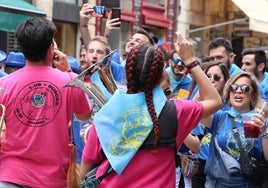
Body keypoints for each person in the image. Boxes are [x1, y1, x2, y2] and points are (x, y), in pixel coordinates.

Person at [80, 33, 222, 187]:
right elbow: (215, 101)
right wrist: (190, 61)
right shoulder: (177, 111)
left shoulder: (106, 115)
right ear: (162, 77)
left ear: (127, 73)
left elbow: (84, 175)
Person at [0, 17, 92, 188]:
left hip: (10, 176)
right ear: (51, 49)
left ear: (22, 50)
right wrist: (67, 72)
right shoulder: (70, 80)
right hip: (51, 180)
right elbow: (84, 114)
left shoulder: (3, 85)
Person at [201, 72, 268, 187]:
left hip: (249, 184)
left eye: (245, 88)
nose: (238, 91)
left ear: (252, 94)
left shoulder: (261, 121)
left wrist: (264, 133)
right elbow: (198, 110)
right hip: (218, 183)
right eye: (233, 87)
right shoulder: (219, 117)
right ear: (229, 92)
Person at [191, 62, 230, 188]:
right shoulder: (198, 102)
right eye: (207, 76)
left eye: (216, 77)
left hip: (221, 166)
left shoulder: (231, 107)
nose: (211, 80)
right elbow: (190, 124)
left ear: (225, 81)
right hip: (199, 163)